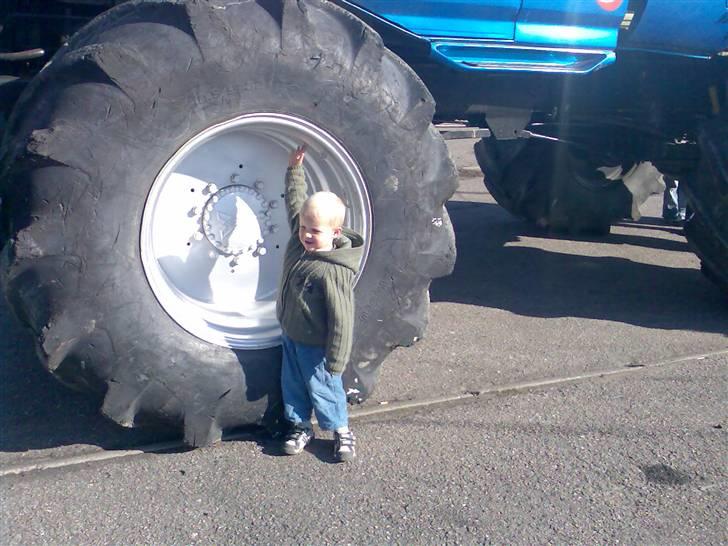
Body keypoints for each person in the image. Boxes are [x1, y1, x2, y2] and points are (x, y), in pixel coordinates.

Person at [276, 144, 364, 462]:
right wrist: (294, 170)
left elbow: (343, 318)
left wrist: (337, 360)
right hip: (291, 334)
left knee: (326, 388)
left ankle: (341, 431)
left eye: (314, 231)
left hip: (317, 346)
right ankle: (301, 427)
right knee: (293, 386)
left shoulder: (333, 270)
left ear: (335, 232)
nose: (306, 235)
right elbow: (295, 204)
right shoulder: (299, 245)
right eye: (303, 228)